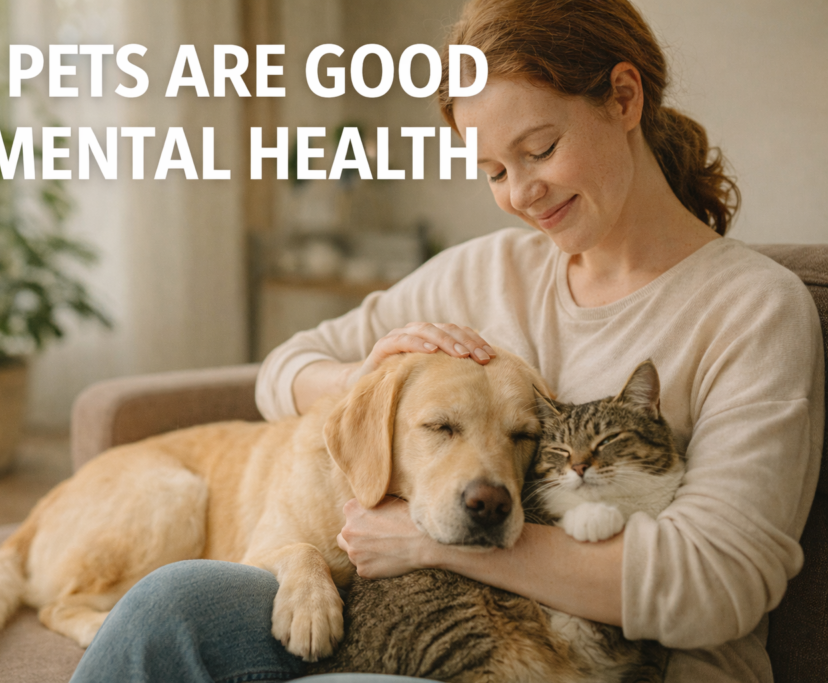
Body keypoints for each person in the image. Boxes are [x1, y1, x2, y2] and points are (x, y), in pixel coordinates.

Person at [70, 0, 824, 681]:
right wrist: (373, 379)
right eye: (494, 170)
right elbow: (283, 371)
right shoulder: (485, 272)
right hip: (433, 631)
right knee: (170, 601)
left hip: (618, 664)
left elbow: (717, 584)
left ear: (623, 98)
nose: (521, 193)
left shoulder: (752, 309)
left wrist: (430, 540)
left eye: (540, 148)